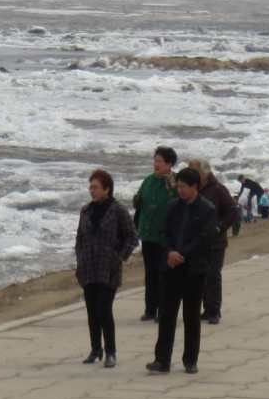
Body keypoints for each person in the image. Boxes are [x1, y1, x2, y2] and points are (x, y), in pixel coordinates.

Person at [146, 168, 217, 375]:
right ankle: (162, 359)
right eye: (178, 186)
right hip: (170, 268)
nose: (180, 189)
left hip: (194, 270)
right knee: (167, 314)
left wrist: (181, 254)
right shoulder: (173, 206)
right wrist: (169, 252)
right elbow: (164, 232)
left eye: (183, 186)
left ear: (195, 187)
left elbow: (204, 239)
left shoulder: (207, 209)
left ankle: (190, 360)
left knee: (191, 316)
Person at [74, 168, 138, 367]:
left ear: (107, 189)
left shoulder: (118, 210)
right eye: (90, 187)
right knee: (91, 309)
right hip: (88, 267)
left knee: (104, 308)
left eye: (95, 187)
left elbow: (132, 237)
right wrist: (80, 257)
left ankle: (111, 351)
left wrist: (119, 257)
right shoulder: (86, 210)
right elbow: (80, 238)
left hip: (108, 267)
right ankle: (95, 348)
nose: (92, 191)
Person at [132, 147, 178, 323]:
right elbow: (139, 198)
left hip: (165, 236)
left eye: (160, 161)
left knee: (163, 274)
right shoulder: (149, 180)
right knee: (150, 273)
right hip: (148, 234)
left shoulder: (174, 183)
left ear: (169, 164)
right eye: (155, 160)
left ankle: (163, 311)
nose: (156, 164)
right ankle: (150, 309)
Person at [193, 159, 238, 324]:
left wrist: (219, 228)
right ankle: (206, 309)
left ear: (204, 173)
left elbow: (232, 211)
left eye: (195, 172)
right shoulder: (194, 189)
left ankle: (214, 311)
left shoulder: (219, 189)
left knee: (213, 275)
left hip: (216, 242)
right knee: (201, 275)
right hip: (198, 242)